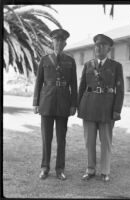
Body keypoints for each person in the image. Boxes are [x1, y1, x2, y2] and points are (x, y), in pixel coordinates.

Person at [78, 34, 124, 182]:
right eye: (97, 45)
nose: (99, 48)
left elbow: (120, 90)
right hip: (89, 106)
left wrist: (117, 110)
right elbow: (82, 88)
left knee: (106, 142)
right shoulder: (88, 65)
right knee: (89, 141)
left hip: (107, 109)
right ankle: (90, 170)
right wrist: (79, 107)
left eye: (102, 45)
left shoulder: (116, 66)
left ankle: (105, 171)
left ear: (108, 49)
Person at [33, 29, 77, 180]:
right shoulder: (44, 60)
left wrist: (73, 104)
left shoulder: (70, 61)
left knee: (61, 138)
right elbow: (38, 82)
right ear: (52, 42)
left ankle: (60, 169)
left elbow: (74, 85)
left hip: (64, 102)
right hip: (46, 102)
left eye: (61, 41)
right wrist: (36, 103)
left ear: (65, 43)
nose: (58, 43)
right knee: (46, 137)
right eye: (56, 40)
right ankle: (45, 168)